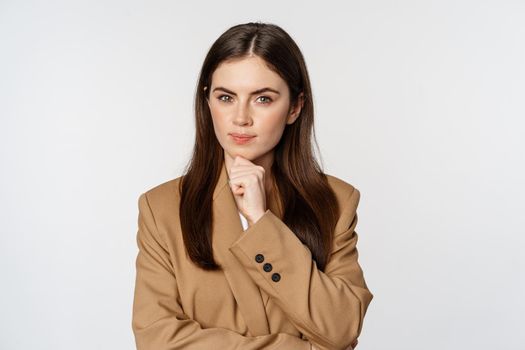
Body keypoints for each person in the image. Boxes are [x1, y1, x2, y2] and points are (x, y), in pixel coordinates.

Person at [131, 22, 373, 350]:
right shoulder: (162, 208)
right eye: (226, 97)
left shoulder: (336, 201)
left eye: (262, 98)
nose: (241, 117)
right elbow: (157, 340)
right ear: (208, 101)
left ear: (295, 107)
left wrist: (261, 222)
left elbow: (341, 326)